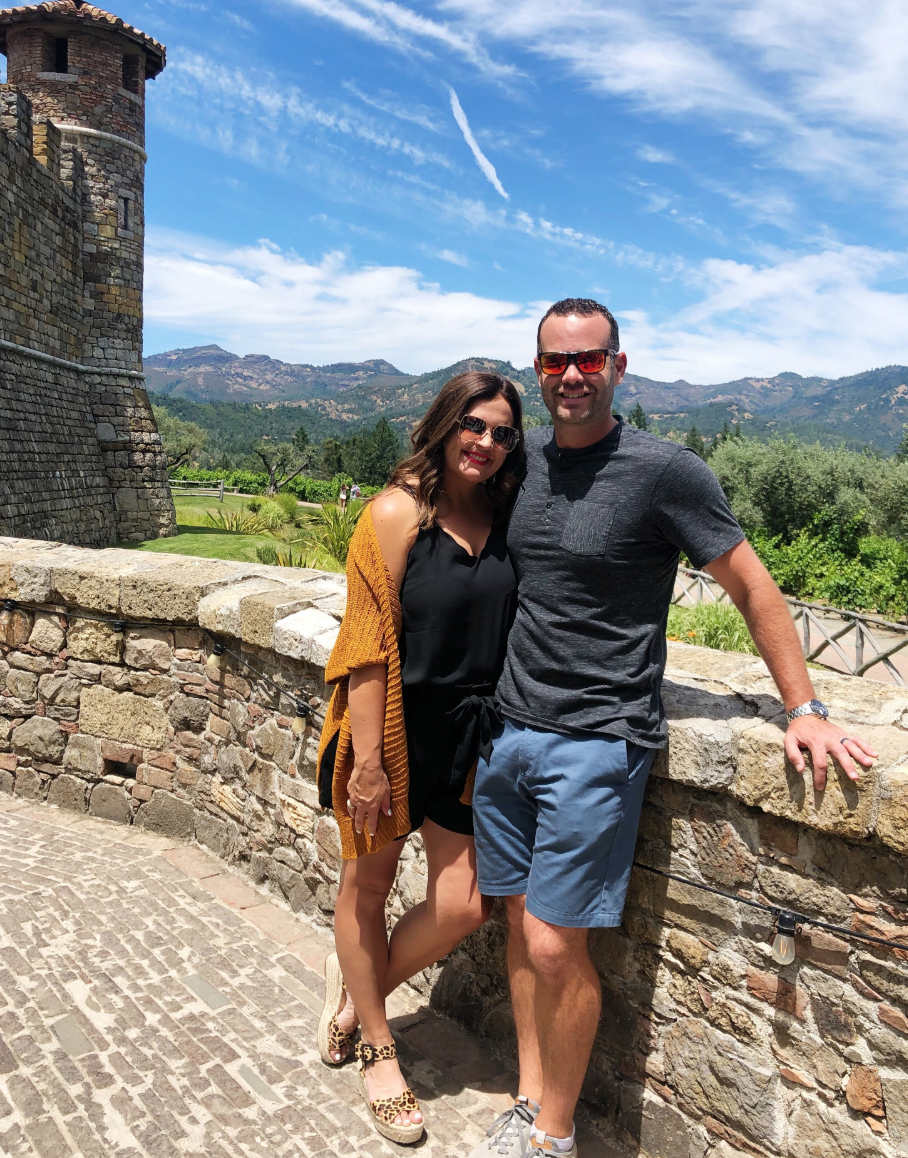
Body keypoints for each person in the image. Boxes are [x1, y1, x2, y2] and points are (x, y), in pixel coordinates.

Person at [468, 298, 878, 1158]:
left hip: (598, 740)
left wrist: (803, 709)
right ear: (537, 371)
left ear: (619, 365)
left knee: (553, 945)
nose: (570, 376)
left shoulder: (665, 471)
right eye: (554, 362)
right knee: (514, 923)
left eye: (588, 360)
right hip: (509, 729)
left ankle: (552, 1133)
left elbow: (753, 587)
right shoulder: (523, 455)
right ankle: (526, 1097)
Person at [316, 371, 525, 1144]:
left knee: (464, 903)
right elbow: (365, 651)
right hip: (393, 735)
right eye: (474, 424)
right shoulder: (397, 514)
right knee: (366, 889)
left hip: (473, 738)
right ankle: (377, 1049)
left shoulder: (503, 514)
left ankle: (353, 1001)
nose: (487, 443)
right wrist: (367, 763)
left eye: (503, 433)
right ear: (443, 423)